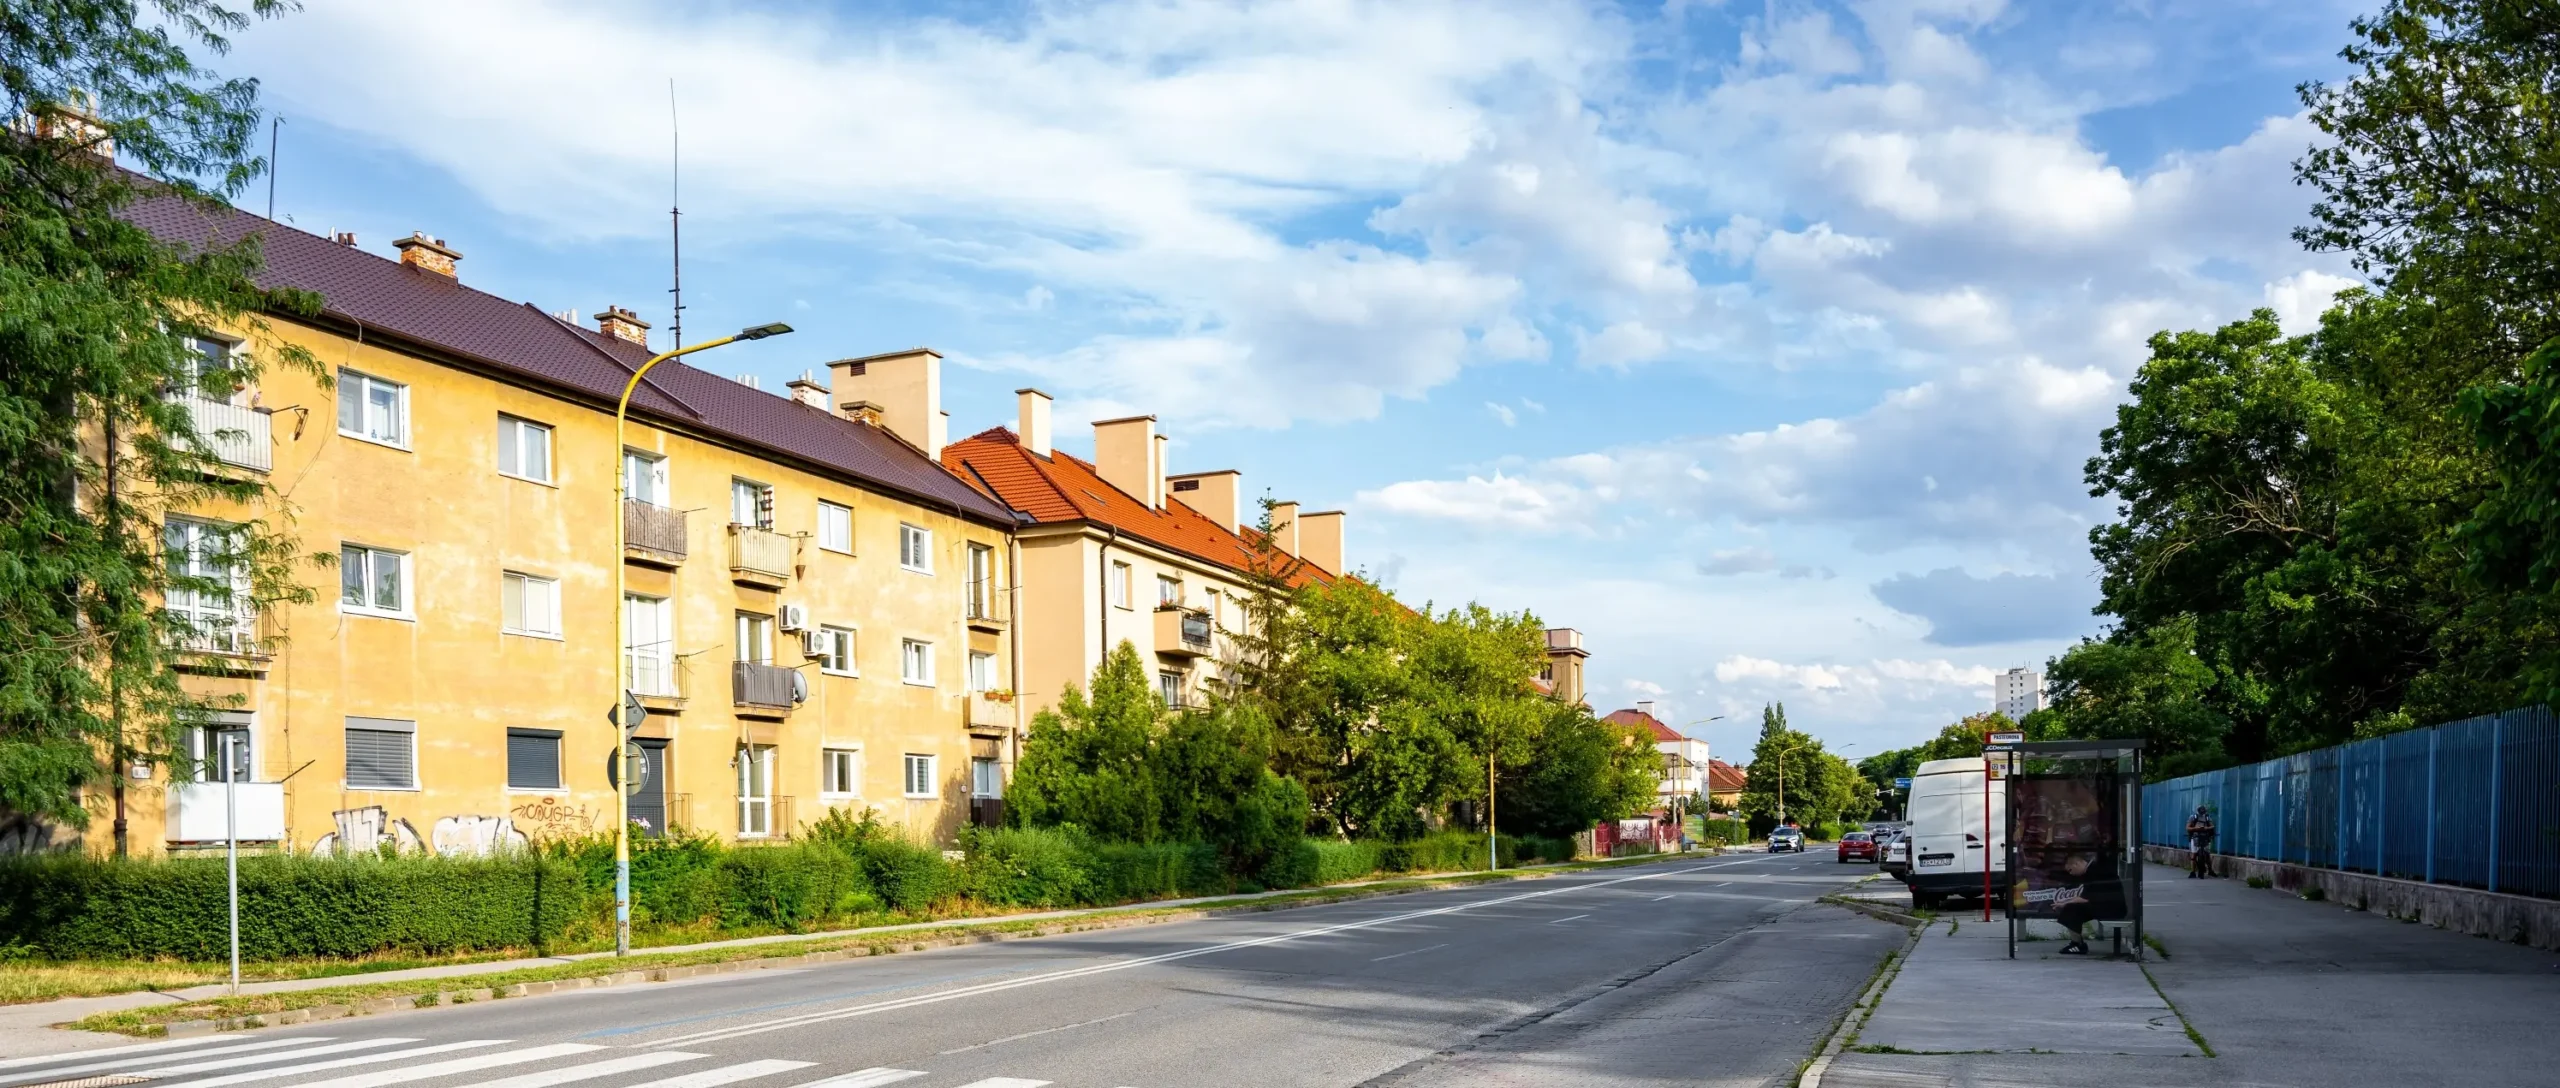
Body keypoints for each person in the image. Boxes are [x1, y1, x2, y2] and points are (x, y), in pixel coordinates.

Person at [2053, 850, 2126, 955]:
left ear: (2077, 864)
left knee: (2070, 909)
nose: (2071, 873)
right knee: (2072, 908)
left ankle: (2077, 944)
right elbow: (2088, 896)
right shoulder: (2093, 870)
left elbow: (2086, 898)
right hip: (2109, 905)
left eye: (2070, 870)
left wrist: (2065, 903)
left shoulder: (2094, 872)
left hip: (2112, 908)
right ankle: (2076, 943)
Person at [2185, 805, 2216, 879]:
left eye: (2203, 810)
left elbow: (2212, 826)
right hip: (2195, 837)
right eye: (2201, 810)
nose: (2202, 811)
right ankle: (2193, 872)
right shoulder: (2193, 817)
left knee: (2207, 854)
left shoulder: (2207, 817)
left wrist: (2206, 828)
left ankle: (2210, 870)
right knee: (2194, 855)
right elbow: (2187, 827)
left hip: (2205, 837)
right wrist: (2196, 828)